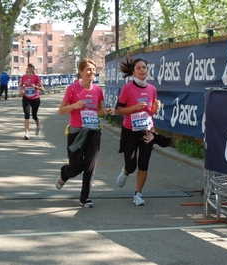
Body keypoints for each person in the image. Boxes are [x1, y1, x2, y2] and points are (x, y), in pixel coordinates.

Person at [55, 58, 114, 208]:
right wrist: (74, 105)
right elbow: (61, 110)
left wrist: (106, 111)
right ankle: (64, 173)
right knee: (76, 168)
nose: (92, 72)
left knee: (90, 165)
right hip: (76, 132)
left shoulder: (98, 90)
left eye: (94, 70)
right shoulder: (73, 89)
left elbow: (98, 111)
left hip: (93, 131)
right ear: (81, 72)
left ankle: (85, 197)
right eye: (88, 69)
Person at [115, 57, 161, 206]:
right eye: (139, 68)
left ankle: (138, 194)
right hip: (130, 131)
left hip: (147, 130)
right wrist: (134, 108)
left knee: (144, 164)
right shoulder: (127, 88)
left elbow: (150, 112)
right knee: (131, 164)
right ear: (133, 72)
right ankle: (126, 171)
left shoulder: (152, 89)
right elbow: (119, 110)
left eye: (144, 68)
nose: (142, 70)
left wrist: (155, 109)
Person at [18, 63, 45, 140]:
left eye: (31, 68)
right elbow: (20, 86)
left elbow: (43, 88)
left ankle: (38, 125)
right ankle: (26, 134)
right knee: (26, 115)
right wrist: (21, 91)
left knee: (34, 115)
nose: (29, 69)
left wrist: (36, 86)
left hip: (35, 98)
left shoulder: (36, 77)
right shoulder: (23, 77)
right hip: (26, 98)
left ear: (33, 69)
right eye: (28, 67)